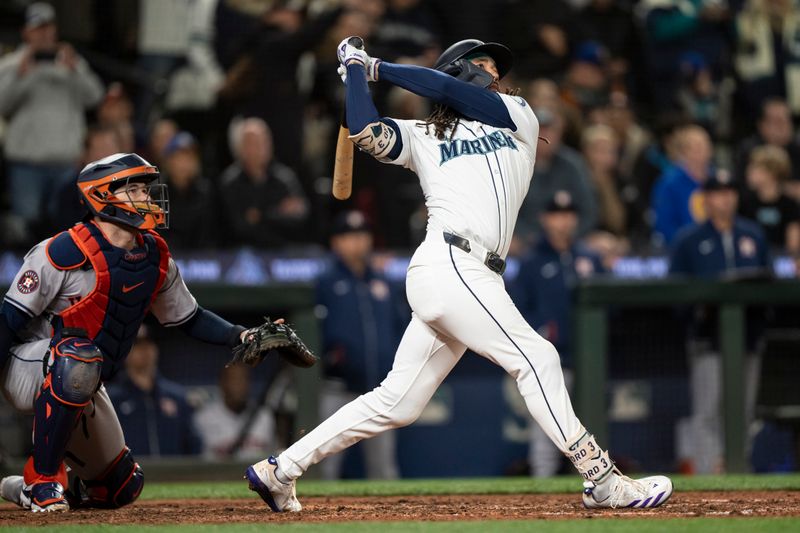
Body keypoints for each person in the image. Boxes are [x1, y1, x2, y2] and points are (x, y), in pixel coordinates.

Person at [244, 37, 673, 512]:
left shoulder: (515, 114)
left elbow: (458, 95)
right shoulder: (424, 136)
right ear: (456, 70)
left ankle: (279, 470)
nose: (493, 69)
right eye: (483, 62)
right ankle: (602, 479)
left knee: (397, 402)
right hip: (448, 261)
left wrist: (375, 67)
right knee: (539, 359)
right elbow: (365, 129)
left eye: (495, 64)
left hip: (474, 273)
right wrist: (352, 72)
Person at [0, 153, 274, 512]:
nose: (148, 198)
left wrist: (240, 336)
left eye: (146, 189)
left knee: (121, 487)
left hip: (82, 377)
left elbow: (189, 317)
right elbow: (8, 322)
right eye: (136, 190)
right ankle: (41, 481)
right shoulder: (61, 251)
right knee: (76, 355)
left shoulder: (154, 256)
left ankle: (21, 489)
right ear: (101, 196)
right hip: (26, 367)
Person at [669, 172, 770, 474]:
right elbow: (675, 294)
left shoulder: (752, 235)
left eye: (730, 192)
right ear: (706, 199)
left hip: (748, 338)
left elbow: (770, 285)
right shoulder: (690, 240)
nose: (725, 199)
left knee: (743, 411)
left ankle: (737, 468)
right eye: (717, 193)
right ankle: (708, 473)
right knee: (708, 411)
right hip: (708, 340)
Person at [509, 190, 604, 477]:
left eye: (567, 215)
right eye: (556, 215)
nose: (562, 221)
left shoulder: (589, 257)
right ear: (545, 219)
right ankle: (542, 489)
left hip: (588, 359)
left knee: (591, 428)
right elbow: (518, 310)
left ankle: (598, 482)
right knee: (548, 431)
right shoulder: (532, 261)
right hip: (552, 361)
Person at [0, 2, 104, 239]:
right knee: (25, 231)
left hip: (66, 163)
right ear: (26, 32)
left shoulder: (70, 63)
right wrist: (21, 76)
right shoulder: (11, 64)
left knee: (70, 231)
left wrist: (75, 69)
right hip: (26, 165)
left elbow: (95, 97)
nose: (44, 34)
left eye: (48, 28)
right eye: (38, 28)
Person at [315, 211, 404, 480]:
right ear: (336, 243)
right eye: (349, 236)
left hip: (379, 391)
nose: (356, 242)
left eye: (361, 235)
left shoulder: (382, 281)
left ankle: (392, 521)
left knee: (383, 469)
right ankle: (311, 521)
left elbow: (399, 328)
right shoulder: (326, 282)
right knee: (326, 467)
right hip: (337, 388)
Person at [107, 327, 202, 457]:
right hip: (130, 475)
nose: (144, 350)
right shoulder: (111, 399)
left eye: (148, 344)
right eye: (137, 345)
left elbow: (194, 446)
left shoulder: (177, 396)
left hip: (173, 475)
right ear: (125, 352)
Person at [218, 117, 309, 249]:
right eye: (253, 143)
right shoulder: (229, 182)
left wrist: (261, 215)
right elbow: (238, 227)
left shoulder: (284, 178)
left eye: (264, 142)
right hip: (241, 252)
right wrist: (279, 212)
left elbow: (300, 216)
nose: (260, 148)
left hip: (281, 250)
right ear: (240, 148)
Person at [194, 363, 276, 461]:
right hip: (219, 475)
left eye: (244, 379)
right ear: (222, 384)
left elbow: (275, 455)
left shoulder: (264, 416)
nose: (240, 385)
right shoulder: (203, 419)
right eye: (234, 380)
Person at [651, 124, 715, 246]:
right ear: (684, 152)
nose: (703, 151)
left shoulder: (717, 180)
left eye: (706, 145)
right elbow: (665, 224)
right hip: (683, 249)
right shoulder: (668, 184)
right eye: (696, 147)